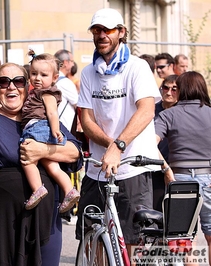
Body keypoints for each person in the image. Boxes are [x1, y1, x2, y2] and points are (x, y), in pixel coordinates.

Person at [0, 62, 82, 265]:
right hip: (3, 221)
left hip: (45, 219)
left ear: (27, 86)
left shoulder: (39, 118)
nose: (11, 87)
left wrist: (43, 150)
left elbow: (75, 152)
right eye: (4, 82)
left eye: (18, 81)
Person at [76, 8, 161, 250]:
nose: (101, 35)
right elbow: (87, 119)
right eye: (96, 30)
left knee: (133, 242)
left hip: (132, 168)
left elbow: (146, 110)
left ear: (121, 32)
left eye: (107, 30)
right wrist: (110, 145)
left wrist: (119, 146)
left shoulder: (137, 67)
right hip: (98, 169)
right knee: (90, 240)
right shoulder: (88, 72)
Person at [155, 71, 211, 263]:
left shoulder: (168, 115)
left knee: (185, 238)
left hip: (179, 179)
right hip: (208, 177)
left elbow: (149, 144)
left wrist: (165, 168)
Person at [21, 51, 80, 212]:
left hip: (37, 128)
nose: (37, 78)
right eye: (33, 74)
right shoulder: (36, 92)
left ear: (54, 78)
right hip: (39, 128)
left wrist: (55, 130)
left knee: (28, 159)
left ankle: (37, 188)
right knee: (52, 165)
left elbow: (53, 113)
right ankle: (69, 190)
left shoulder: (47, 93)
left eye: (43, 75)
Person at [152, 74, 178, 211]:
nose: (169, 92)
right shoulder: (151, 110)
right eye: (165, 88)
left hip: (178, 167)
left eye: (174, 89)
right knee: (156, 210)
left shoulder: (182, 111)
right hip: (154, 166)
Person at [54, 49, 78, 131]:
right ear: (65, 63)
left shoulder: (50, 79)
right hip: (64, 129)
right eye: (71, 61)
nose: (73, 64)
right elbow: (79, 105)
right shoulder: (66, 83)